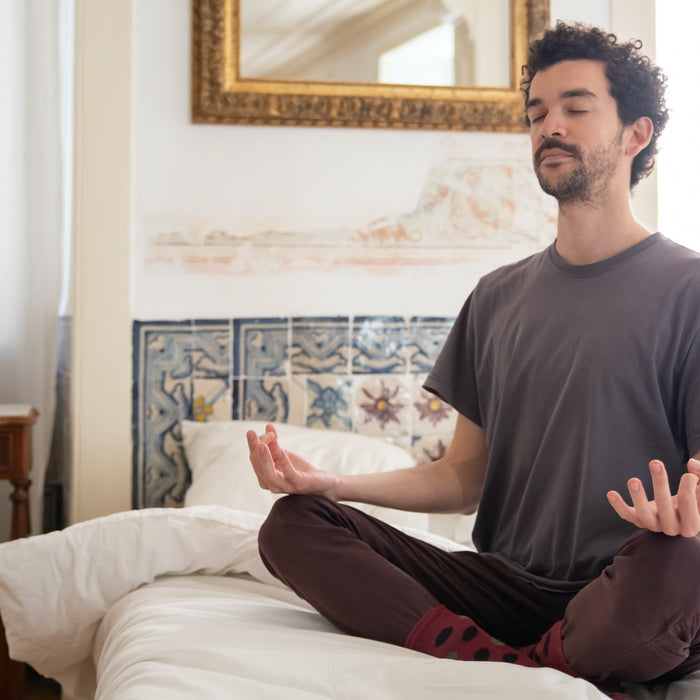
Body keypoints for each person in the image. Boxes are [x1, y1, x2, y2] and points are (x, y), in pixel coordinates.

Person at [247, 21, 700, 695]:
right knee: (293, 525)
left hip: (629, 586)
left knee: (680, 564)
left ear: (637, 135)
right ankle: (515, 664)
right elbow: (463, 478)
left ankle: (542, 656)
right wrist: (334, 485)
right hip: (505, 590)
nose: (550, 125)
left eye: (576, 108)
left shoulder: (689, 290)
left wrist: (687, 520)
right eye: (537, 113)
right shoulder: (496, 298)